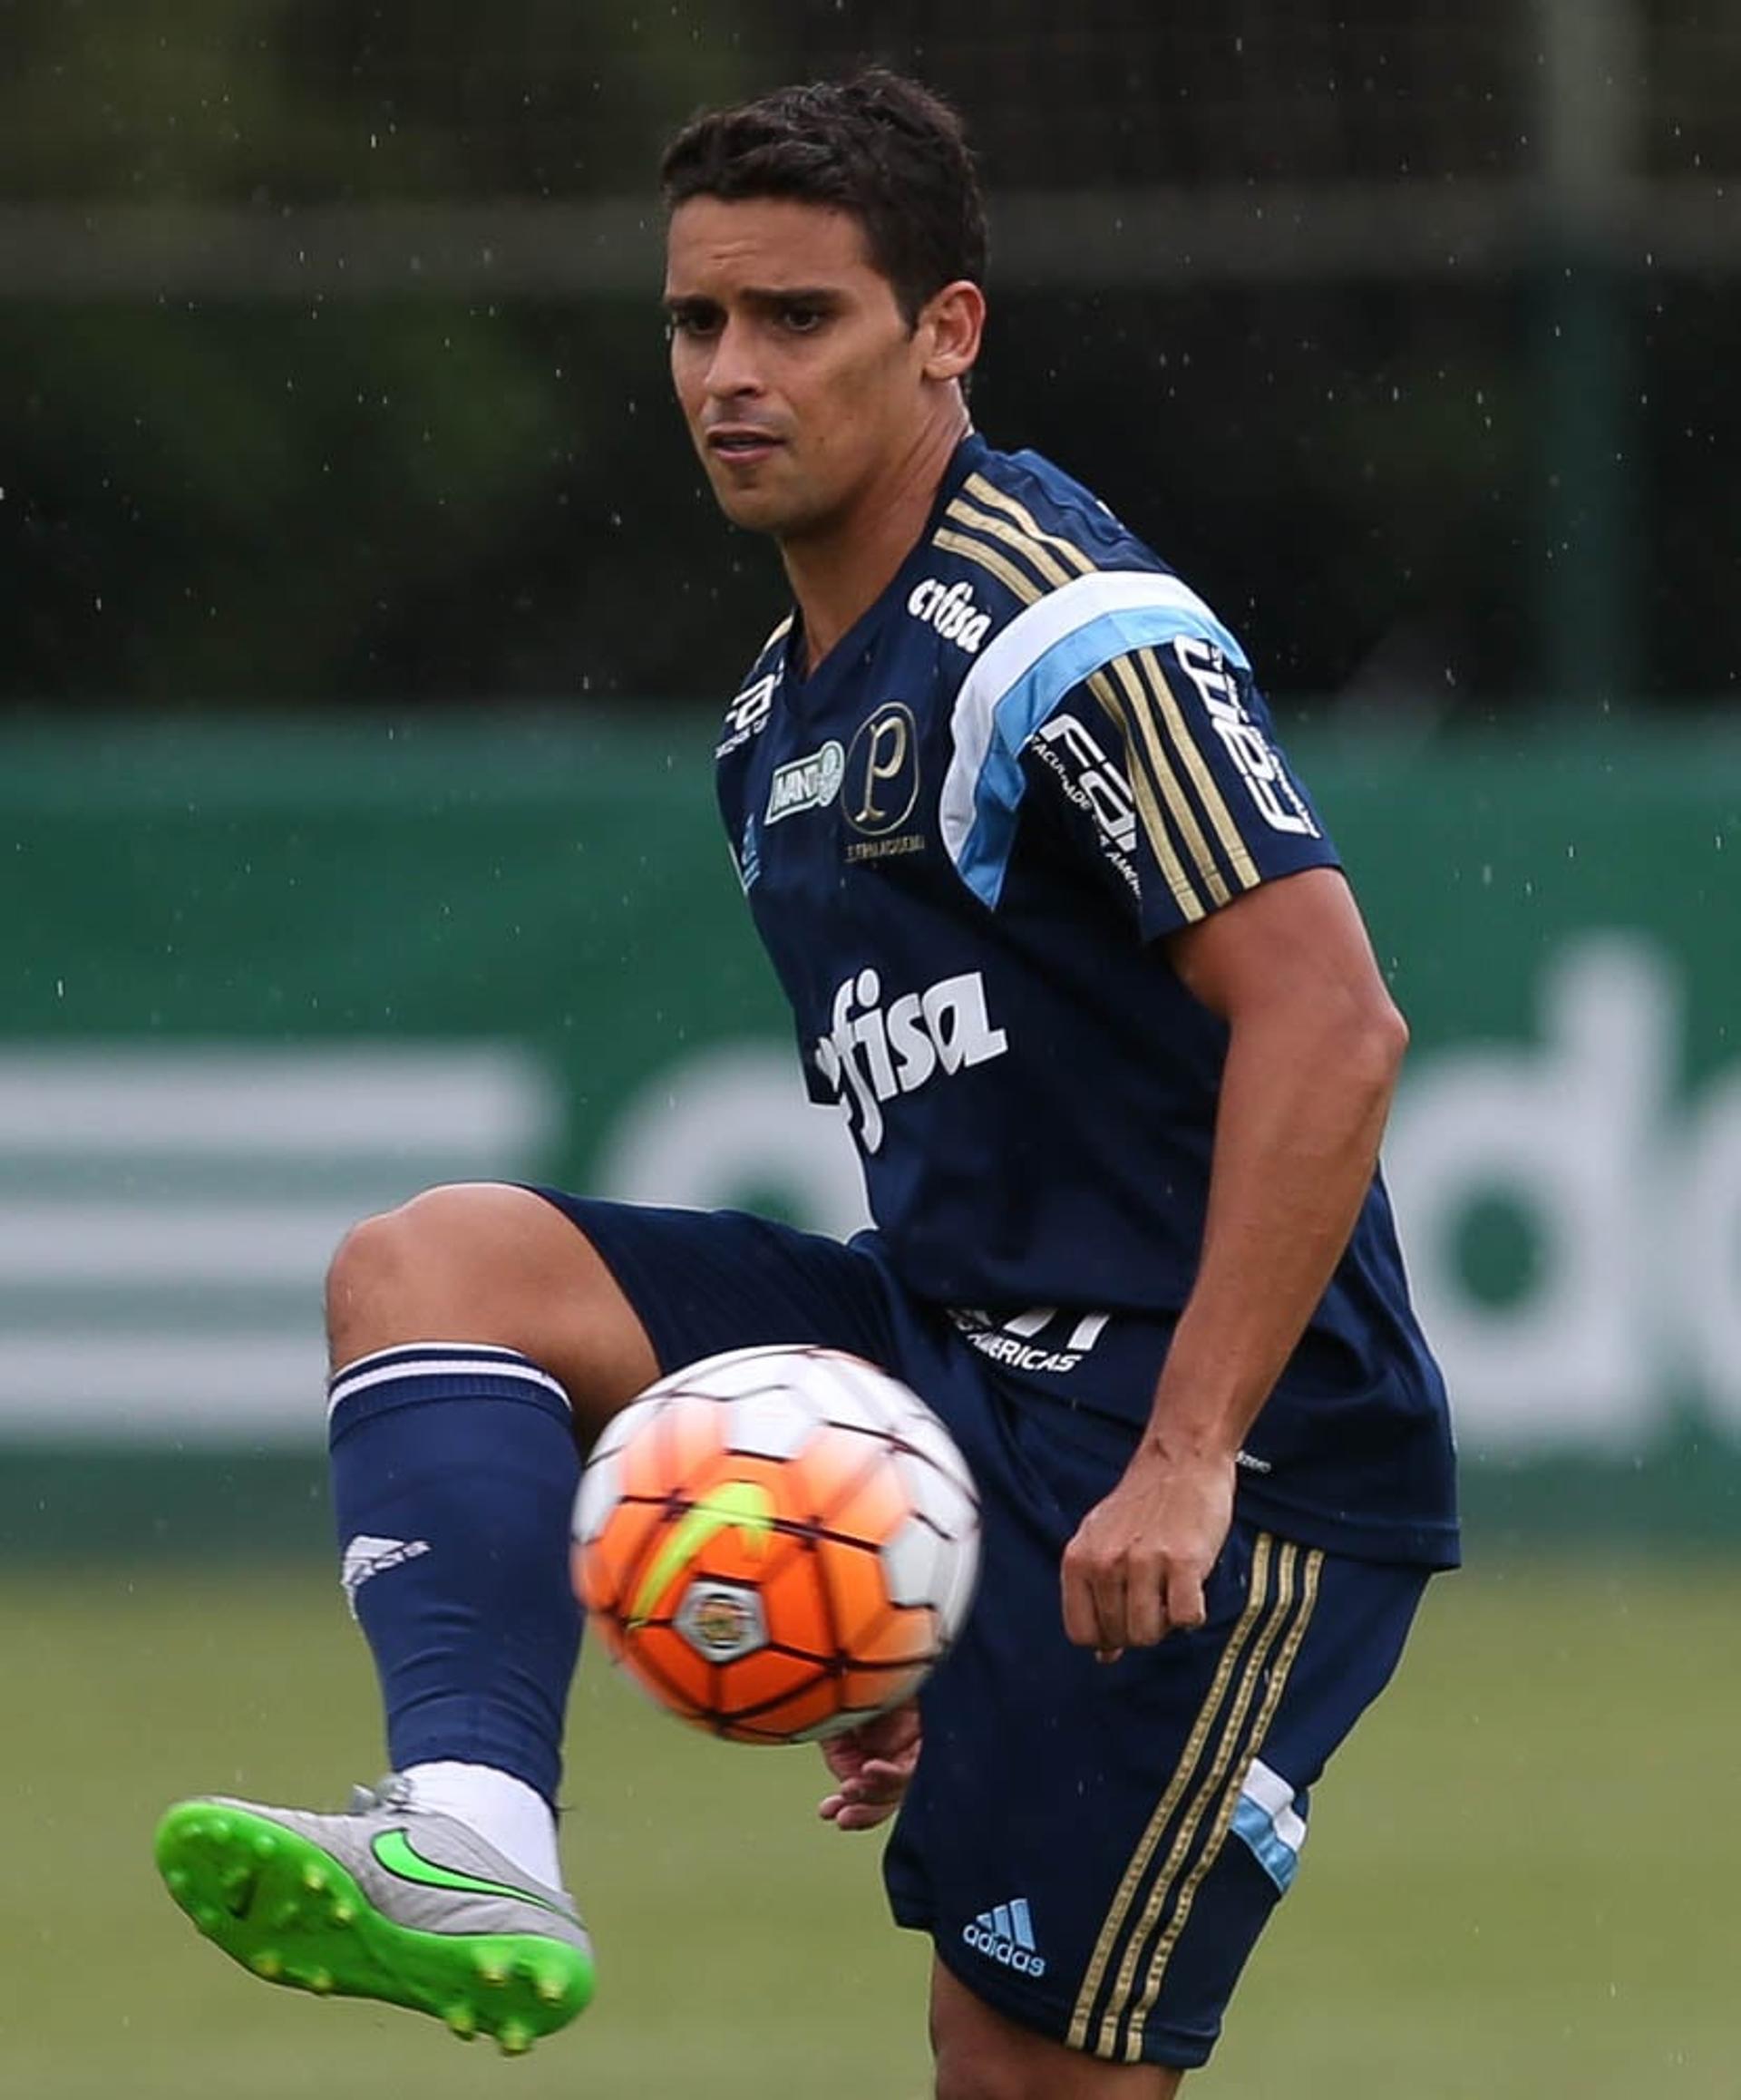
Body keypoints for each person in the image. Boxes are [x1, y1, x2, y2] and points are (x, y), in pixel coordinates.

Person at [155, 69, 1457, 2096]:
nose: (730, 374)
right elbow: (980, 1156)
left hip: (1228, 1458)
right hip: (964, 1385)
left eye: (798, 320)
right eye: (697, 323)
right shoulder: (774, 726)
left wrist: (1186, 1454)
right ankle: (480, 1839)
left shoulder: (1059, 629)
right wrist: (912, 1571)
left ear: (946, 332)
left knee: (1014, 2072)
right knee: (438, 1269)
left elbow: (1334, 1023)